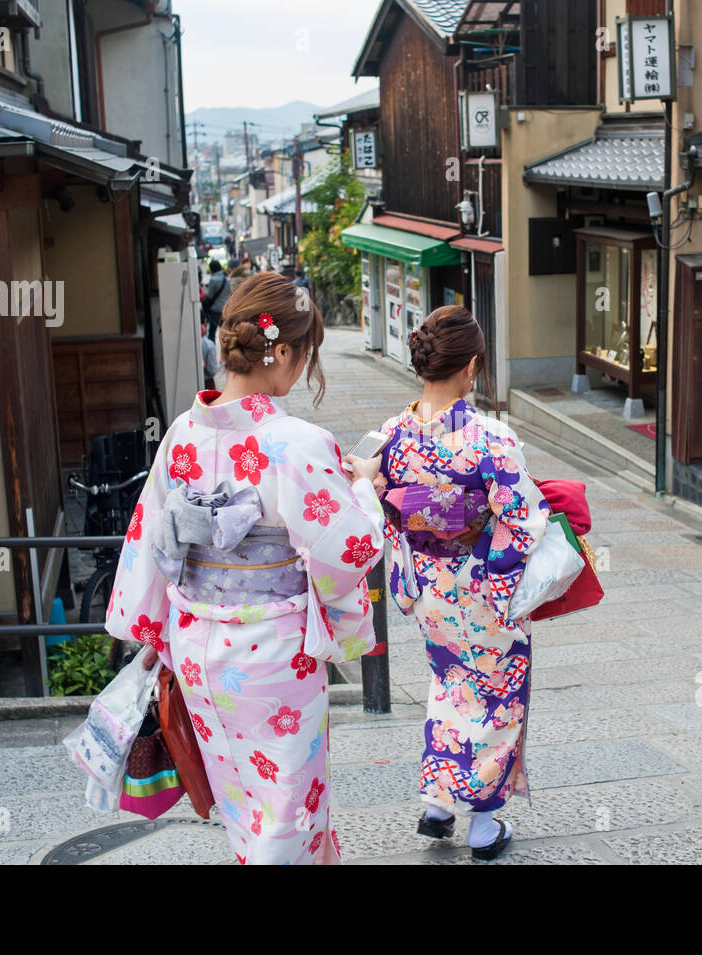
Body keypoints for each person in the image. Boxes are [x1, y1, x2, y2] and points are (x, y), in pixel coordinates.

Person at [104, 271, 385, 865]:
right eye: (302, 355)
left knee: (240, 800)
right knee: (287, 804)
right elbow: (349, 550)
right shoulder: (294, 442)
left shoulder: (181, 433)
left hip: (196, 647)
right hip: (272, 656)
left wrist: (157, 634)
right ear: (281, 350)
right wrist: (363, 489)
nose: (301, 368)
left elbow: (149, 541)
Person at [345, 306, 550, 861]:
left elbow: (386, 512)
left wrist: (420, 519)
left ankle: (438, 805)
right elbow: (523, 520)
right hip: (482, 590)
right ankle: (483, 827)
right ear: (472, 368)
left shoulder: (388, 434)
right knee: (496, 700)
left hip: (428, 587)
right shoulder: (489, 437)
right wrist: (493, 567)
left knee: (450, 686)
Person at [202, 259, 231, 341]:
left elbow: (209, 295)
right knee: (226, 330)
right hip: (225, 308)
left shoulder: (213, 280)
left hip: (215, 309)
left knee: (212, 332)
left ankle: (212, 350)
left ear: (211, 269)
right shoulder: (227, 279)